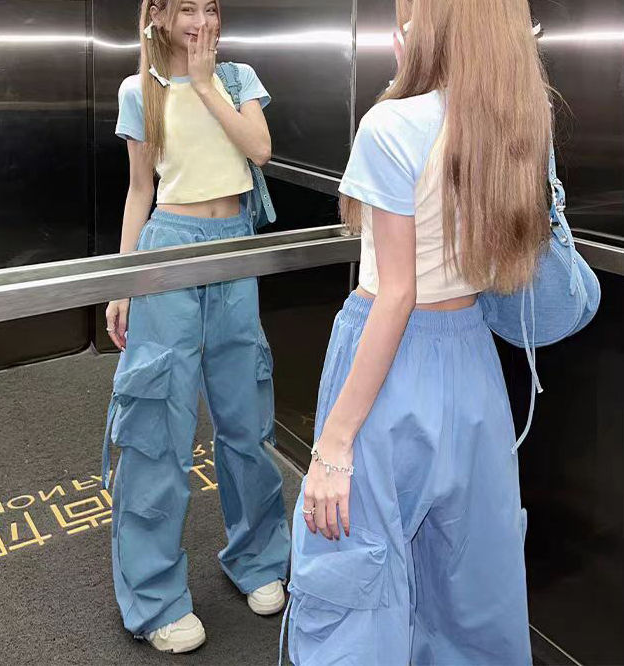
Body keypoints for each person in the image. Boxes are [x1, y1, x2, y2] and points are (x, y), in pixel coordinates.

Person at [279, 0, 553, 663]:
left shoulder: (391, 124)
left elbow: (397, 293)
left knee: (355, 586)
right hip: (473, 366)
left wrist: (333, 445)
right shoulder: (520, 122)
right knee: (470, 593)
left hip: (387, 363)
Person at [101, 0, 291, 653]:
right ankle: (154, 596)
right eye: (185, 7)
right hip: (169, 250)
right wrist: (122, 283)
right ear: (156, 15)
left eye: (209, 6)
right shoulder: (139, 90)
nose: (201, 19)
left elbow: (260, 149)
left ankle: (258, 558)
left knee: (246, 416)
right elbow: (139, 191)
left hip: (234, 247)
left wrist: (208, 85)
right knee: (158, 424)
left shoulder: (236, 78)